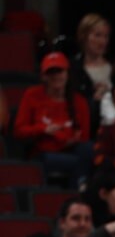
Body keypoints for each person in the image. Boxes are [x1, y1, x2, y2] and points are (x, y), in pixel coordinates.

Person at [13, 52, 92, 186]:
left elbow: (84, 136)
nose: (56, 76)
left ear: (67, 73)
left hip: (71, 151)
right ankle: (79, 190)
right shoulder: (32, 95)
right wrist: (43, 129)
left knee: (88, 150)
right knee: (80, 163)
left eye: (60, 71)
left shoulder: (79, 101)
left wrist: (70, 141)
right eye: (51, 73)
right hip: (43, 153)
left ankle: (79, 191)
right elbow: (19, 130)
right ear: (43, 76)